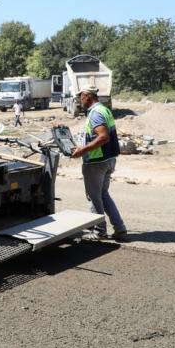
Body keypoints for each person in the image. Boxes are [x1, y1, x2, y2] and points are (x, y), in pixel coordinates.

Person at [71, 86, 127, 240]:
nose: (79, 100)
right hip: (108, 160)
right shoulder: (104, 109)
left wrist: (83, 151)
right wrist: (82, 146)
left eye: (80, 96)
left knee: (94, 196)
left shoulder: (95, 113)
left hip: (96, 162)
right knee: (103, 194)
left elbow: (103, 137)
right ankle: (119, 227)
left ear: (87, 95)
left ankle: (99, 232)